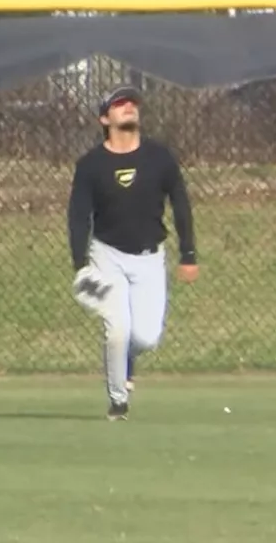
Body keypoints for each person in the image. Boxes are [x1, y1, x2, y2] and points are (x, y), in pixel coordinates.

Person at [67, 85, 200, 421]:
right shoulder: (91, 165)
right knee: (118, 329)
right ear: (104, 118)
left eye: (131, 103)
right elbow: (79, 216)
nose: (128, 108)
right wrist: (80, 265)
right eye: (119, 104)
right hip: (107, 255)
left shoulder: (159, 157)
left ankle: (125, 361)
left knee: (147, 337)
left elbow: (181, 203)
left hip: (150, 259)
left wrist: (188, 253)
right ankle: (118, 401)